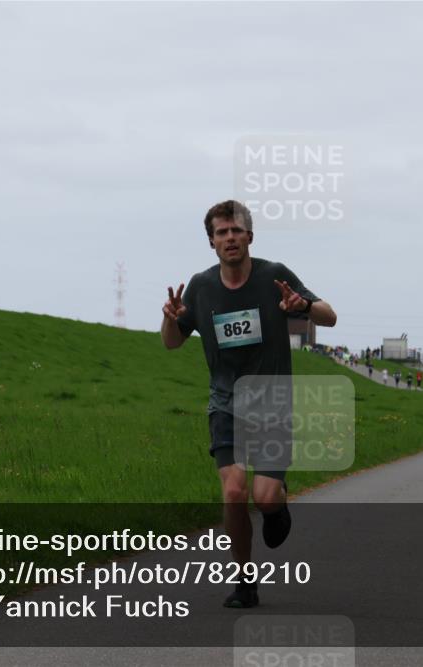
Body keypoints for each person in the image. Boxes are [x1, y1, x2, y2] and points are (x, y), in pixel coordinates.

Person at [161, 200, 336, 608]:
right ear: (211, 242)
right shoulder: (201, 287)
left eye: (236, 230)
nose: (230, 238)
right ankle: (245, 581)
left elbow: (329, 316)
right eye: (221, 233)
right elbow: (172, 342)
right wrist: (171, 318)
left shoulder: (274, 276)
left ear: (250, 236)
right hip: (226, 405)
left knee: (265, 496)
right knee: (234, 491)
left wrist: (304, 307)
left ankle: (277, 508)